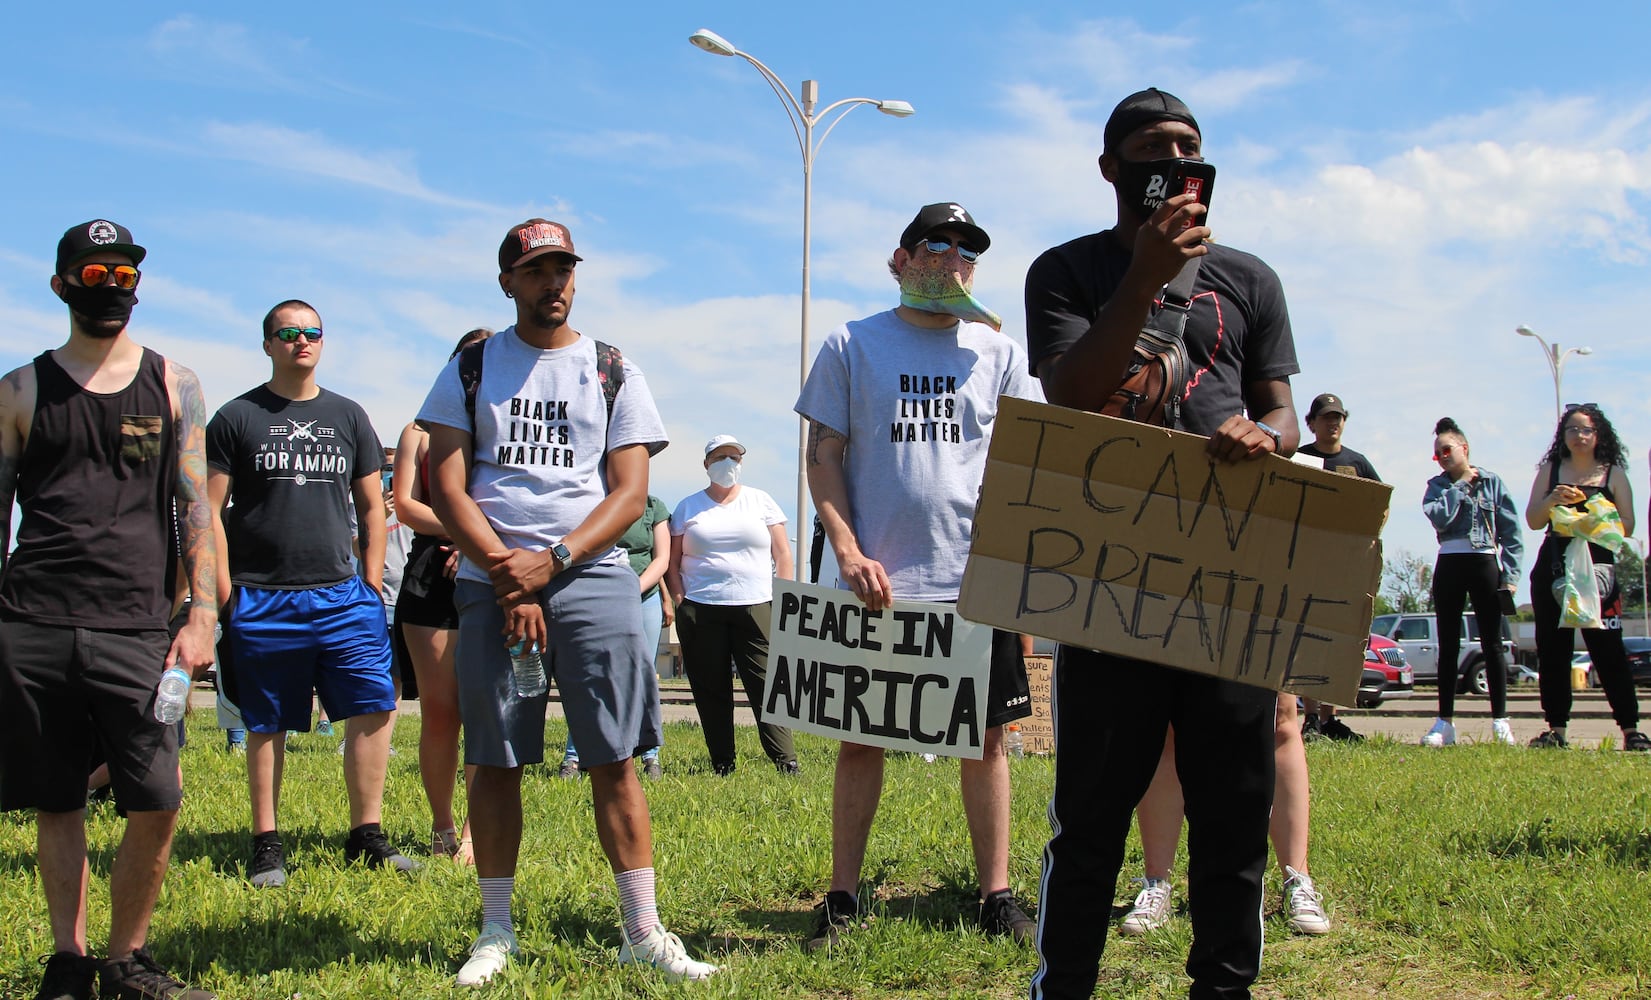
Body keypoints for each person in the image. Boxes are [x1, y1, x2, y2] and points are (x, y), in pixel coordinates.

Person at [1023, 89, 1302, 999]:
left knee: (1233, 807)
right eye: (1151, 149)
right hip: (1113, 572)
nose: (1173, 160)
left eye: (1188, 147)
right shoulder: (1064, 271)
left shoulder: (1250, 279)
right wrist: (1143, 276)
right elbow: (1069, 396)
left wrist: (1270, 436)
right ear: (1111, 169)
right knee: (1094, 812)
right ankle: (1063, 983)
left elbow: (1280, 408)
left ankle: (1223, 986)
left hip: (1227, 572)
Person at [420, 218, 715, 985]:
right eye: (535, 270)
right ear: (507, 282)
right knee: (494, 758)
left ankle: (643, 930)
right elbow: (445, 486)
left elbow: (630, 493)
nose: (553, 283)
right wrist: (503, 571)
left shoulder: (613, 367)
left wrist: (548, 563)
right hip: (492, 579)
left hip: (588, 575)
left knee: (615, 757)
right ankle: (495, 930)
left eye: (563, 269)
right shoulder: (472, 367)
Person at [796, 202, 1039, 951]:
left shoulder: (996, 353)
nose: (950, 259)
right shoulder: (851, 342)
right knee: (859, 741)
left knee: (986, 740)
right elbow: (823, 454)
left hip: (972, 579)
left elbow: (1028, 462)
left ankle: (994, 893)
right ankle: (841, 896)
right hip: (876, 583)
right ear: (899, 260)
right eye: (934, 245)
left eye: (965, 250)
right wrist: (844, 546)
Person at [0, 219, 218, 999]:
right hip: (34, 621)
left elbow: (197, 510)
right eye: (94, 276)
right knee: (57, 797)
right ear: (61, 284)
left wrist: (201, 615)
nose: (112, 290)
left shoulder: (173, 384)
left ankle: (127, 961)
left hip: (137, 626)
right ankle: (69, 959)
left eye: (123, 276)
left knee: (156, 798)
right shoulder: (22, 390)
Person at [207, 299, 417, 889]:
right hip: (262, 596)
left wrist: (371, 584)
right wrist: (225, 594)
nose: (302, 341)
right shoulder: (235, 417)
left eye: (312, 333)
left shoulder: (349, 416)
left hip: (343, 595)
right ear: (268, 343)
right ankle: (266, 842)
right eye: (289, 333)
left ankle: (366, 835)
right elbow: (208, 510)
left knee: (374, 706)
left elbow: (375, 507)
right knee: (266, 721)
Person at [395, 328, 493, 864]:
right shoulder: (419, 430)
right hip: (431, 572)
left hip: (490, 570)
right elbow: (405, 506)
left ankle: (478, 835)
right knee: (439, 711)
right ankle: (442, 826)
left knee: (484, 711)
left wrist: (480, 545)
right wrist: (463, 534)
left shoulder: (506, 426)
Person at [665, 436, 797, 775]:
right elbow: (672, 560)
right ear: (706, 464)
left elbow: (783, 554)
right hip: (701, 606)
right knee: (711, 687)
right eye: (720, 457)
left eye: (734, 457)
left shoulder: (761, 501)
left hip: (757, 605)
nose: (728, 463)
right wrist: (681, 600)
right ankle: (722, 762)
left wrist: (782, 596)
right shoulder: (688, 507)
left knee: (767, 684)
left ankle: (786, 760)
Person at [1523, 404, 1646, 750]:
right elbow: (1533, 520)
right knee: (1553, 651)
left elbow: (1628, 525)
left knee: (1608, 650)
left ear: (1599, 435)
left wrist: (1594, 515)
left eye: (1587, 430)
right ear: (1562, 436)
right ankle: (1557, 730)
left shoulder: (1612, 474)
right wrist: (1552, 499)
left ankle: (1630, 730)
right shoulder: (1550, 470)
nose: (1579, 436)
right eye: (1572, 430)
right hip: (1554, 566)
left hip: (1598, 569)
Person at [1420, 417, 1522, 747]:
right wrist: (1461, 484)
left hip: (1485, 560)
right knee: (1448, 643)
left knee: (1493, 643)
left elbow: (1512, 534)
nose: (1442, 457)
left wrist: (1511, 576)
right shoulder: (1437, 486)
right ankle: (1444, 722)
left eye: (1446, 449)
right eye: (1437, 453)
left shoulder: (1492, 482)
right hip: (1450, 560)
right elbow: (1439, 516)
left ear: (1464, 448)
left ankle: (1500, 721)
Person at [560, 493, 672, 780]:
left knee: (643, 677)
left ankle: (650, 756)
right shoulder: (590, 497)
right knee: (589, 676)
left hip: (643, 595)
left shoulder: (653, 506)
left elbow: (661, 558)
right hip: (594, 591)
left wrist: (634, 589)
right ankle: (574, 757)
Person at [1296, 392, 1381, 742]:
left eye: (1338, 417)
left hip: (1345, 565)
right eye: (1326, 417)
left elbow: (1381, 504)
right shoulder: (1300, 458)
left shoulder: (1358, 463)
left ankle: (1331, 719)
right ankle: (1311, 717)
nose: (1333, 423)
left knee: (1337, 641)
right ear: (1311, 423)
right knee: (1309, 638)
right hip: (1307, 562)